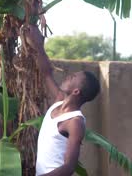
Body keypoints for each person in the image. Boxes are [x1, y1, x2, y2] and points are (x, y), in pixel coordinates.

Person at [24, 25, 101, 176]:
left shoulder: (75, 122)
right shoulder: (59, 101)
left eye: (73, 78)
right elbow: (46, 73)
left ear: (76, 91)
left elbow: (69, 167)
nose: (68, 76)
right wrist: (38, 45)